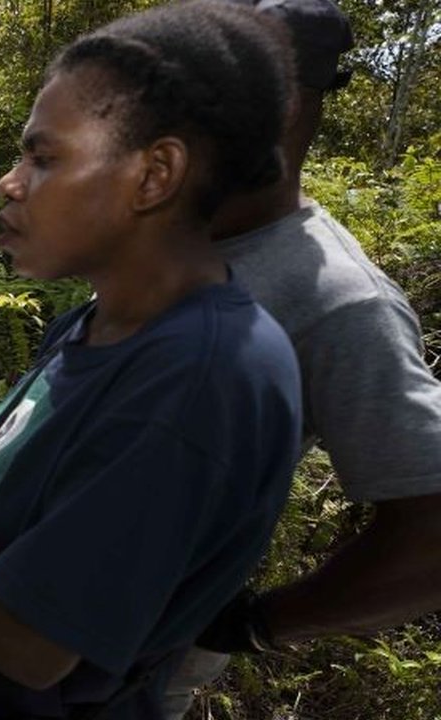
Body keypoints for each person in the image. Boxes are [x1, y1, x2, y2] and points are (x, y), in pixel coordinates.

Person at [0, 3, 304, 718]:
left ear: (155, 174)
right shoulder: (97, 323)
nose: (10, 182)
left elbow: (34, 647)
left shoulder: (194, 384)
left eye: (42, 157)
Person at [163, 1, 441, 714]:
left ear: (285, 106)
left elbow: (430, 532)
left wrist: (259, 624)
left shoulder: (343, 303)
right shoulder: (179, 229)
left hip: (133, 662)